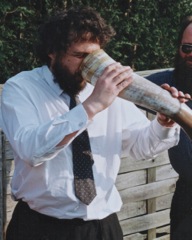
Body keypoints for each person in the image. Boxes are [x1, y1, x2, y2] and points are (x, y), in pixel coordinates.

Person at [0, 6, 188, 240]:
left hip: (103, 227)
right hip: (40, 227)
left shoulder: (110, 89)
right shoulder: (21, 88)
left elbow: (143, 147)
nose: (89, 65)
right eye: (80, 56)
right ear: (52, 51)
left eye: (95, 55)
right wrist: (92, 105)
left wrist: (164, 122)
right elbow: (31, 150)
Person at [146, 15, 192, 240]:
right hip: (187, 194)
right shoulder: (166, 84)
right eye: (187, 47)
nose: (191, 53)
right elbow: (120, 87)